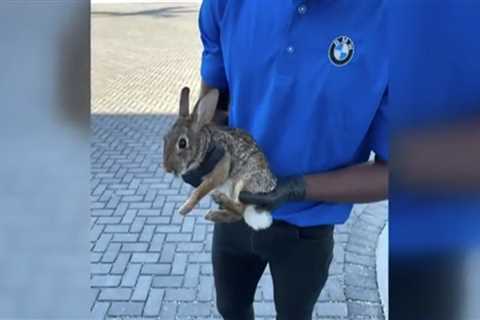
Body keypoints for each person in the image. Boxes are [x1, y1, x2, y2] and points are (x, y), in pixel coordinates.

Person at [182, 1, 388, 319]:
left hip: (307, 231)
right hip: (237, 209)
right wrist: (202, 141)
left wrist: (293, 188)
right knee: (231, 308)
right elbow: (217, 96)